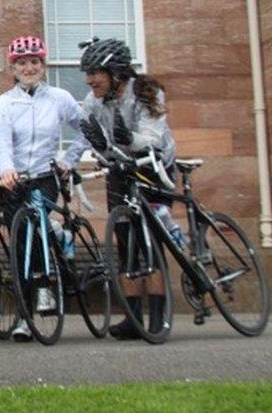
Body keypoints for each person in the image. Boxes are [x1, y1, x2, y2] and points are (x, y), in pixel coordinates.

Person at [66, 37, 177, 340]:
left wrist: (128, 137)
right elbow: (86, 139)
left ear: (115, 73)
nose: (89, 81)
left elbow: (153, 138)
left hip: (154, 168)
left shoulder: (146, 92)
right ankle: (131, 317)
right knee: (126, 243)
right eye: (87, 74)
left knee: (149, 243)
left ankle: (158, 318)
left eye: (94, 74)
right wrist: (82, 156)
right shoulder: (93, 101)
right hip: (121, 169)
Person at [0, 35, 85, 342]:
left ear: (43, 66)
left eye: (34, 62)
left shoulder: (59, 98)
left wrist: (69, 159)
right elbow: (3, 142)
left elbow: (87, 128)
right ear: (13, 68)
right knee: (20, 246)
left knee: (39, 231)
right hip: (14, 181)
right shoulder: (4, 103)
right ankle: (23, 316)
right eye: (22, 63)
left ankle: (47, 282)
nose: (29, 67)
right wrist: (6, 171)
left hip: (44, 177)